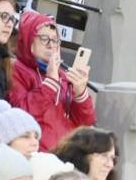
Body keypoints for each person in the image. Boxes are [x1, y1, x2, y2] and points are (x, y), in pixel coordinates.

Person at [7, 11, 93, 152]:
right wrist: (51, 82)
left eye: (55, 40)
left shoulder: (63, 76)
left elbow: (84, 125)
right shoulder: (16, 69)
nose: (51, 45)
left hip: (64, 156)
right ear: (28, 40)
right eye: (44, 38)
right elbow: (23, 114)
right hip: (35, 155)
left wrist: (80, 94)